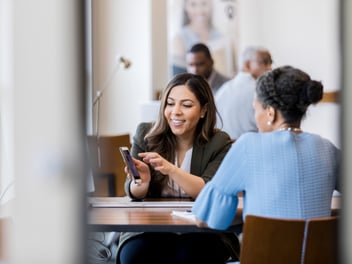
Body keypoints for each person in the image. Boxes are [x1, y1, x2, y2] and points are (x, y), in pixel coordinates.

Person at [192, 66, 340, 232]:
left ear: (270, 112)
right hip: (319, 257)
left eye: (255, 109)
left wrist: (250, 215)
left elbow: (205, 219)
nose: (255, 117)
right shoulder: (328, 150)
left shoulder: (248, 146)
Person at [116, 73, 239, 264]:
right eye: (170, 103)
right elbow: (134, 192)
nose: (176, 112)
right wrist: (142, 181)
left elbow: (207, 190)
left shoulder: (219, 142)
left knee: (188, 256)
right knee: (135, 255)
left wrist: (171, 169)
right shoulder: (146, 135)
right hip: (150, 228)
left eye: (187, 105)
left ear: (203, 110)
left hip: (202, 230)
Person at [215, 46, 273, 140]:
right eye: (264, 62)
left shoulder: (222, 92)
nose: (270, 68)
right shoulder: (260, 91)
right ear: (247, 65)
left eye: (271, 63)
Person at [170, 0, 236, 77]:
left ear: (211, 5)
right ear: (185, 7)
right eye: (193, 4)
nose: (200, 10)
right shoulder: (179, 39)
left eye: (204, 3)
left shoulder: (221, 36)